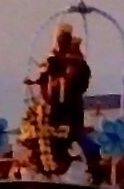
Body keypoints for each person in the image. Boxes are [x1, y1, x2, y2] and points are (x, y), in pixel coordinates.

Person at [33, 25, 93, 163]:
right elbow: (47, 74)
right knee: (55, 121)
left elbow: (82, 79)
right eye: (61, 39)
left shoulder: (78, 63)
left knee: (71, 125)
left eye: (66, 39)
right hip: (56, 101)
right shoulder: (54, 58)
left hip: (71, 102)